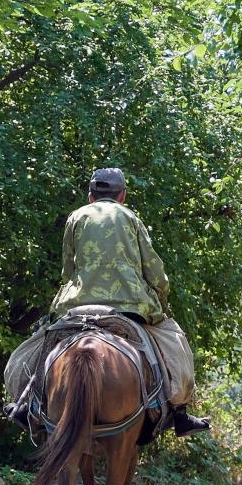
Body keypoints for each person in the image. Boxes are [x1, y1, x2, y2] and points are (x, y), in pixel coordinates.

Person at [49, 167, 210, 437]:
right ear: (122, 195)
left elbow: (67, 269)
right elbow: (153, 268)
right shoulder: (131, 218)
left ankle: (25, 402)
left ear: (90, 196)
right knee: (176, 344)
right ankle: (180, 413)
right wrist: (161, 292)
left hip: (78, 304)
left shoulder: (76, 217)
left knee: (41, 343)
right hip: (130, 304)